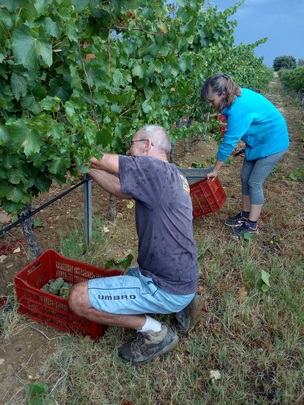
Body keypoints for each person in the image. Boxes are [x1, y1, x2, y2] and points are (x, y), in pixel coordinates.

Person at [68, 125, 200, 365]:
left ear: (147, 144)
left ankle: (156, 333)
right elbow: (120, 189)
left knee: (78, 298)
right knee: (128, 275)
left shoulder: (153, 169)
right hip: (182, 277)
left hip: (165, 284)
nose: (128, 151)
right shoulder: (172, 174)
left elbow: (102, 159)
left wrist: (67, 146)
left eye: (132, 144)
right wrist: (88, 169)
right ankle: (182, 302)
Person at [200, 73, 289, 237]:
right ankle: (246, 214)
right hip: (259, 141)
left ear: (223, 94)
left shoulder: (238, 109)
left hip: (274, 142)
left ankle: (252, 225)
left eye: (212, 101)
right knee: (245, 177)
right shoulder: (234, 97)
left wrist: (216, 169)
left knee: (254, 182)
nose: (211, 105)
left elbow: (229, 142)